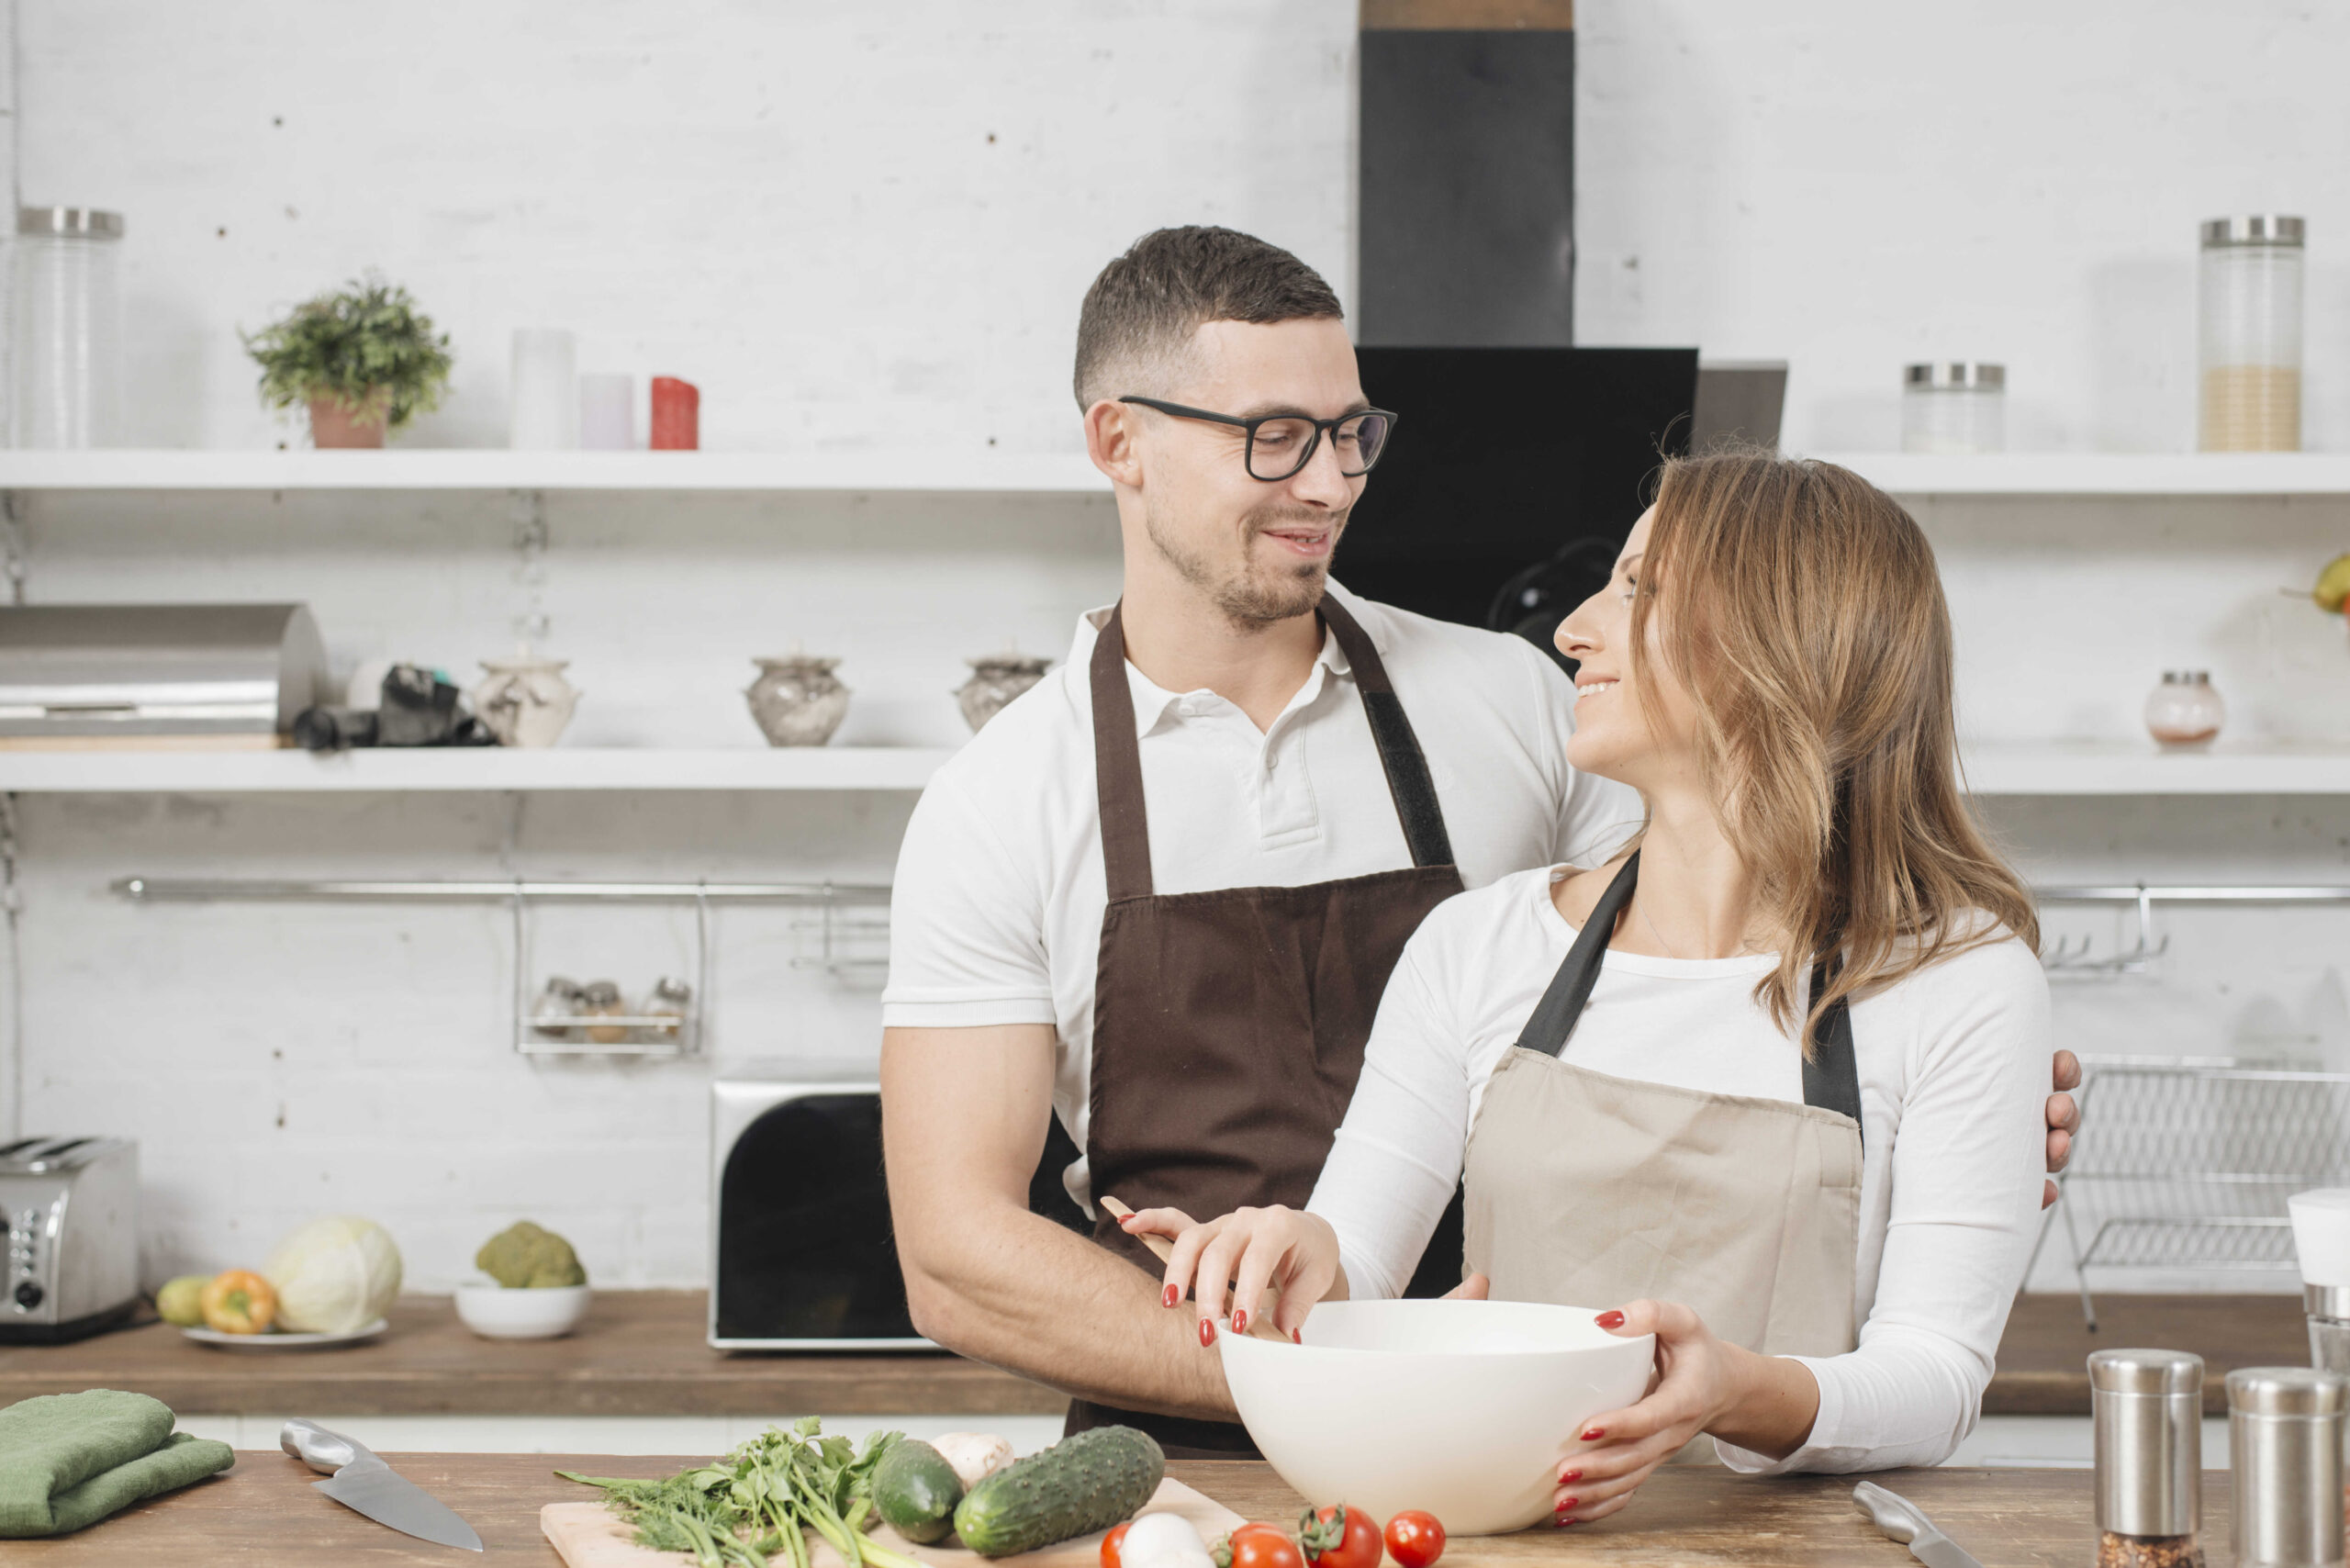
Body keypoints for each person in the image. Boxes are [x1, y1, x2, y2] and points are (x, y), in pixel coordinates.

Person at [879, 227, 2081, 1456]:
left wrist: (1960, 1100)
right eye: (1273, 437)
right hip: (1206, 1441)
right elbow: (957, 1257)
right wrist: (1344, 1360)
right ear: (1118, 442)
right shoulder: (1003, 801)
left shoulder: (1509, 704)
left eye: (1352, 434)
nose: (1332, 482)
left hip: (1531, 1441)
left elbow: (1742, 907)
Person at [1134, 451, 2054, 1520]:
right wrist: (1294, 1258)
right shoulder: (1480, 947)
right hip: (1504, 1534)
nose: (1573, 627)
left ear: (1780, 637)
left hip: (1800, 1547)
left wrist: (1732, 1391)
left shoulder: (1958, 981)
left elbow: (1936, 1378)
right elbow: (1361, 1270)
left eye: (1636, 590)